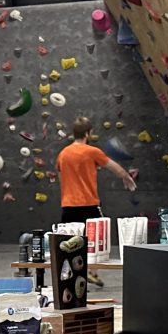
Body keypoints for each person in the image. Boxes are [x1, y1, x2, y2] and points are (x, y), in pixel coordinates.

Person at [55, 117, 136, 285]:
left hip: (68, 205)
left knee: (70, 242)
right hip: (89, 204)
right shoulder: (92, 151)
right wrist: (126, 177)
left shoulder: (63, 154)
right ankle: (92, 272)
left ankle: (71, 275)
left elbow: (59, 172)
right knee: (95, 240)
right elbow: (113, 166)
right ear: (88, 133)